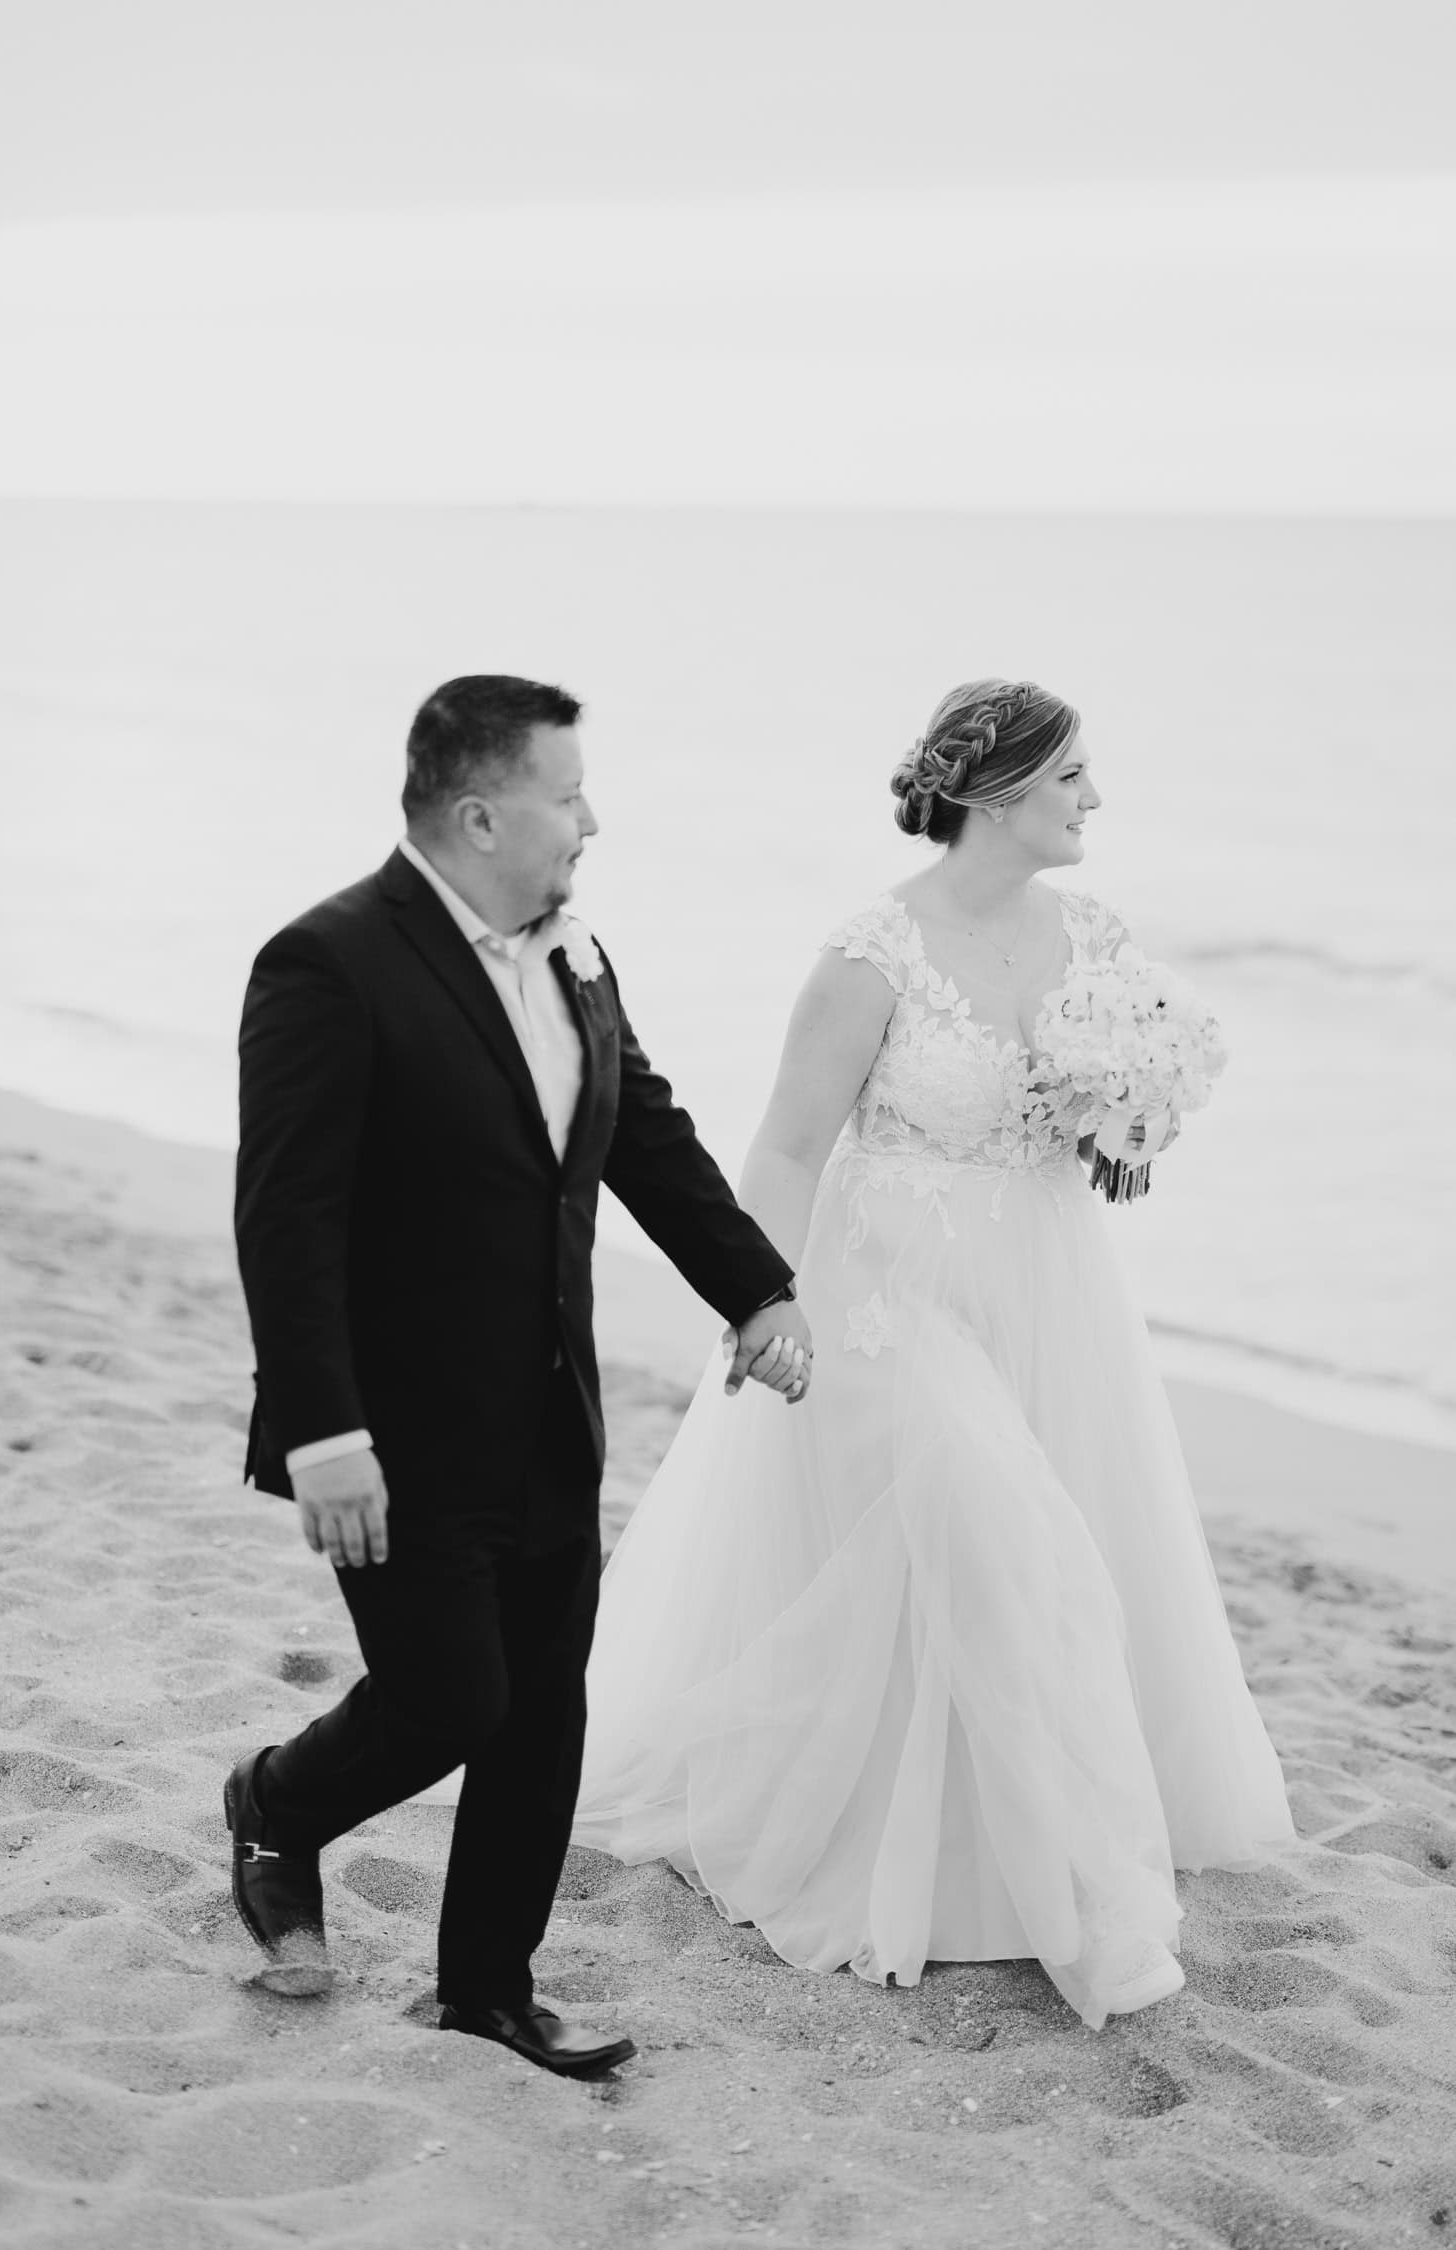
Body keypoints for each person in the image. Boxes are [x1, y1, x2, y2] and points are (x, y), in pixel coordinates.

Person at [572, 677, 1296, 2031]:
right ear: (996, 793)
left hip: (1046, 1284)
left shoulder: (1095, 933)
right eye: (1073, 776)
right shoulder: (873, 952)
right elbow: (788, 1142)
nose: (1095, 798)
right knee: (999, 1525)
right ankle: (1080, 1908)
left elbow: (1101, 1135)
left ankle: (988, 1858)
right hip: (884, 1288)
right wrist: (756, 1299)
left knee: (1017, 1553)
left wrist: (1130, 1125)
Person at [228, 673, 812, 2077]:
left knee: (544, 1711)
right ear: (483, 811)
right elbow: (285, 1216)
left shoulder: (577, 956)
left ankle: (487, 1988)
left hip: (552, 1409)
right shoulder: (329, 963)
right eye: (568, 793)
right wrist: (324, 1433)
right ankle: (272, 1804)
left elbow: (645, 1134)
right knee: (450, 1699)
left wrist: (759, 1288)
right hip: (390, 1429)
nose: (590, 818)